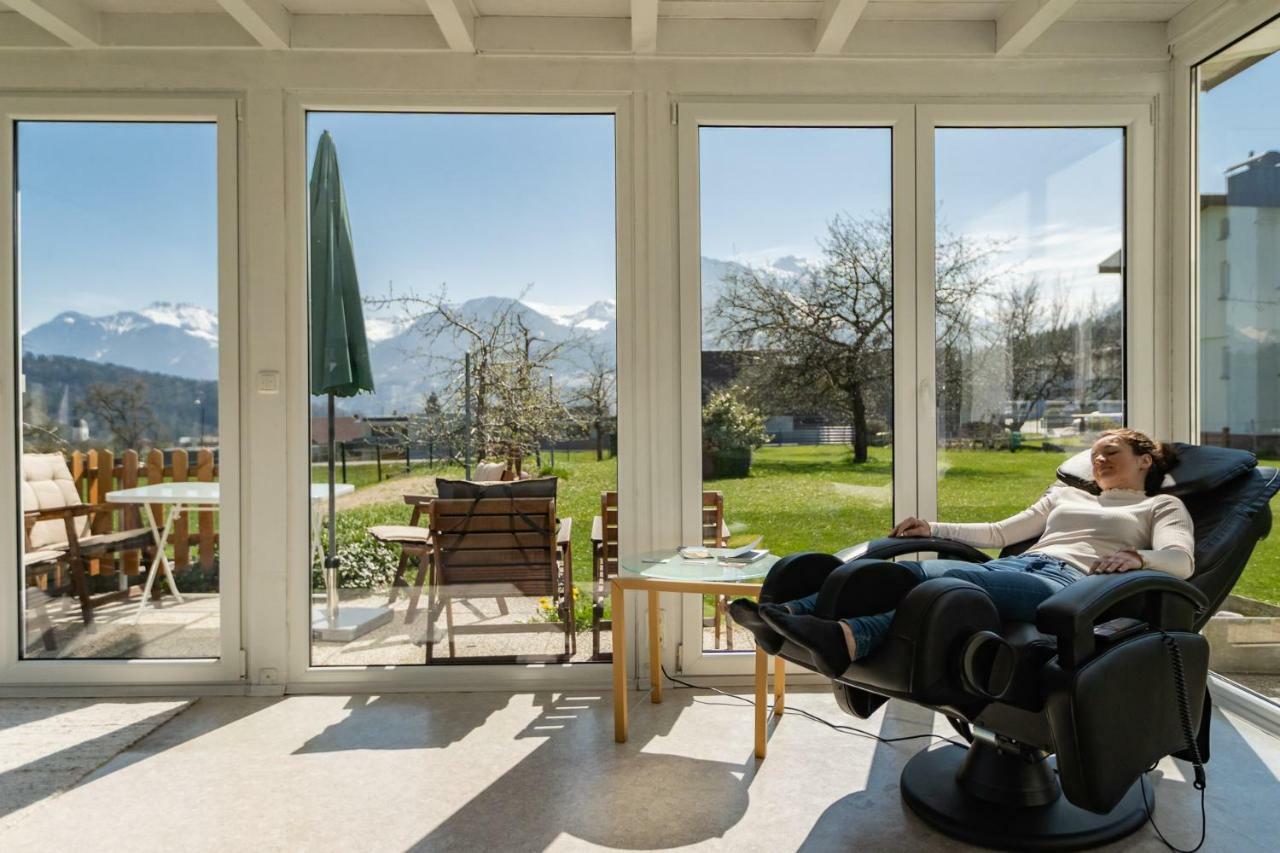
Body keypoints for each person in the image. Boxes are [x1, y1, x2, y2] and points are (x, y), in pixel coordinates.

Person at [729, 428, 1196, 678]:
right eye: (1094, 454)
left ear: (1145, 460)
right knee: (929, 574)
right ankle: (794, 616)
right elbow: (999, 531)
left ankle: (817, 624)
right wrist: (931, 527)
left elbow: (1181, 561)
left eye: (1110, 450)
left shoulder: (1161, 505)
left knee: (944, 584)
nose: (1099, 459)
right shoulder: (1065, 496)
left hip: (1066, 585)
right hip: (1015, 567)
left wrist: (1140, 559)